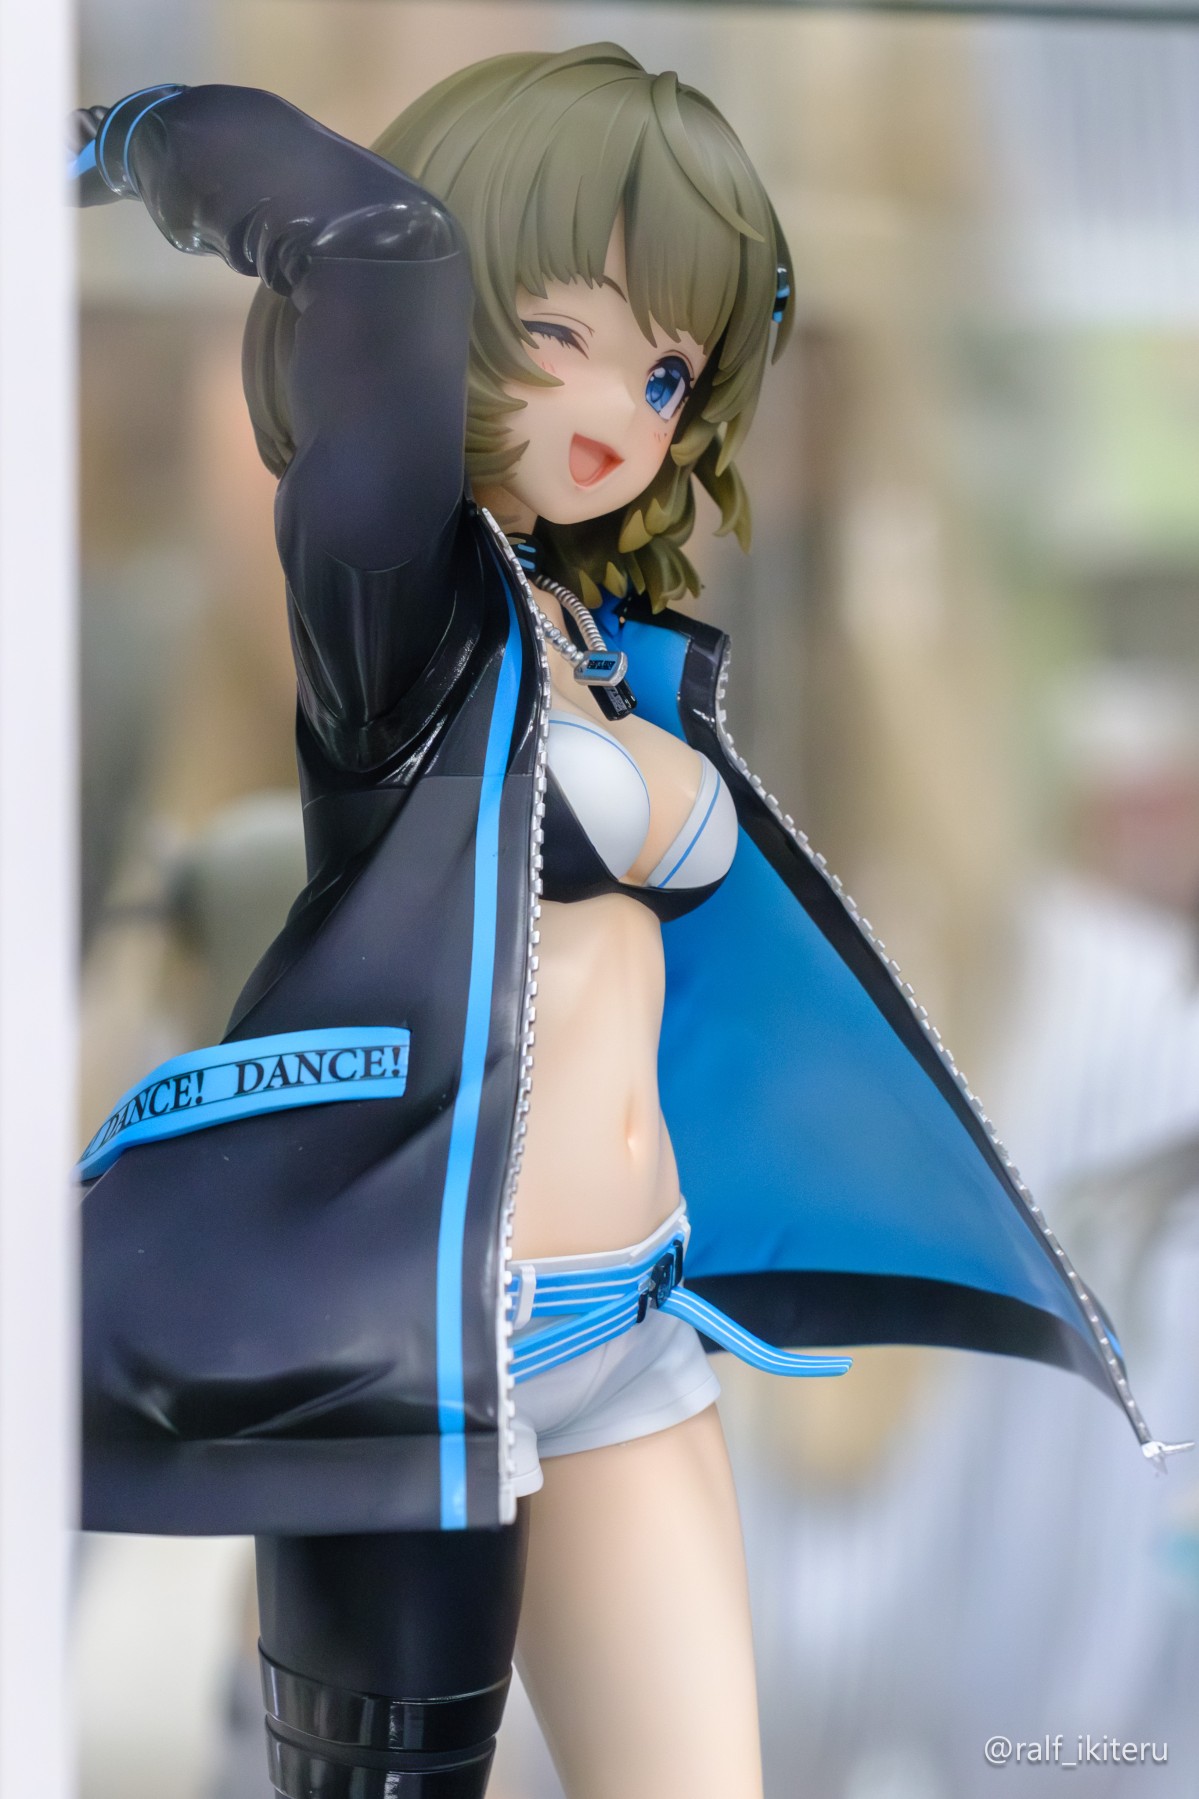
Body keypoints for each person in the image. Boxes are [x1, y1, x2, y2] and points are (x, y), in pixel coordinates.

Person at [71, 46, 1169, 1799]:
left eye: (662, 367)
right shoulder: (406, 629)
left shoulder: (582, 630)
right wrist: (118, 138)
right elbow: (370, 253)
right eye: (547, 329)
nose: (617, 408)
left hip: (630, 1322)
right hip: (434, 1344)